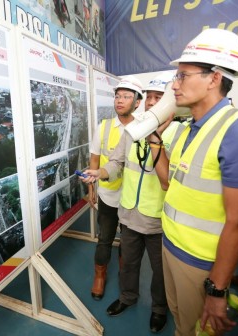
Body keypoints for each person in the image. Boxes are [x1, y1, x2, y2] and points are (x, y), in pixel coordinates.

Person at [144, 28, 238, 335]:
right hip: (170, 246)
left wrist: (217, 288)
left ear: (214, 78)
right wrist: (154, 140)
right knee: (181, 321)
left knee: (196, 330)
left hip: (200, 261)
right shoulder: (188, 129)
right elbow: (169, 185)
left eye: (183, 75)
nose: (174, 85)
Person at [84, 71, 185, 333]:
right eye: (149, 97)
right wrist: (100, 173)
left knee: (159, 270)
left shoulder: (180, 134)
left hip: (157, 216)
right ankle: (128, 297)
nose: (152, 103)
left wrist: (157, 139)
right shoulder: (134, 129)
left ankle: (159, 309)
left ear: (169, 102)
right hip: (128, 210)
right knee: (128, 263)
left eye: (158, 98)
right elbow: (117, 162)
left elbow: (173, 178)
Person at [88, 75, 143, 301]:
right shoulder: (104, 127)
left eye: (126, 96)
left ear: (138, 102)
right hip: (108, 195)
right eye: (118, 96)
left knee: (128, 242)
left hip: (132, 198)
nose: (120, 100)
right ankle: (99, 276)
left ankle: (124, 275)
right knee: (105, 238)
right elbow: (94, 159)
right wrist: (92, 189)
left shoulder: (144, 129)